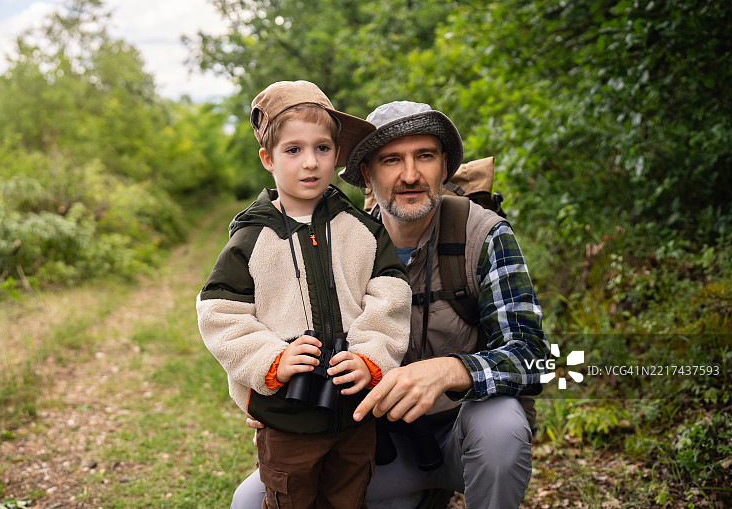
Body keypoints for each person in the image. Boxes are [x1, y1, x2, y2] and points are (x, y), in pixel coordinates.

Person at [233, 100, 550, 509]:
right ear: (366, 174)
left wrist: (449, 370)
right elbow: (264, 334)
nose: (411, 174)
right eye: (391, 160)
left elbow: (534, 357)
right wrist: (272, 389)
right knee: (249, 501)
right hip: (373, 446)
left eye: (425, 156)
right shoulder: (337, 241)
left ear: (444, 166)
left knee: (502, 423)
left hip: (464, 437)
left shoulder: (484, 234)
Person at [197, 81, 412, 509]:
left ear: (337, 154)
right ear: (268, 158)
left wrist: (370, 358)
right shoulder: (252, 237)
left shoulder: (362, 231)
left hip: (354, 412)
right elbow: (221, 313)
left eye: (323, 149)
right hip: (286, 418)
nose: (310, 163)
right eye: (293, 150)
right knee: (290, 498)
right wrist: (271, 359)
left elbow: (390, 297)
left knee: (349, 497)